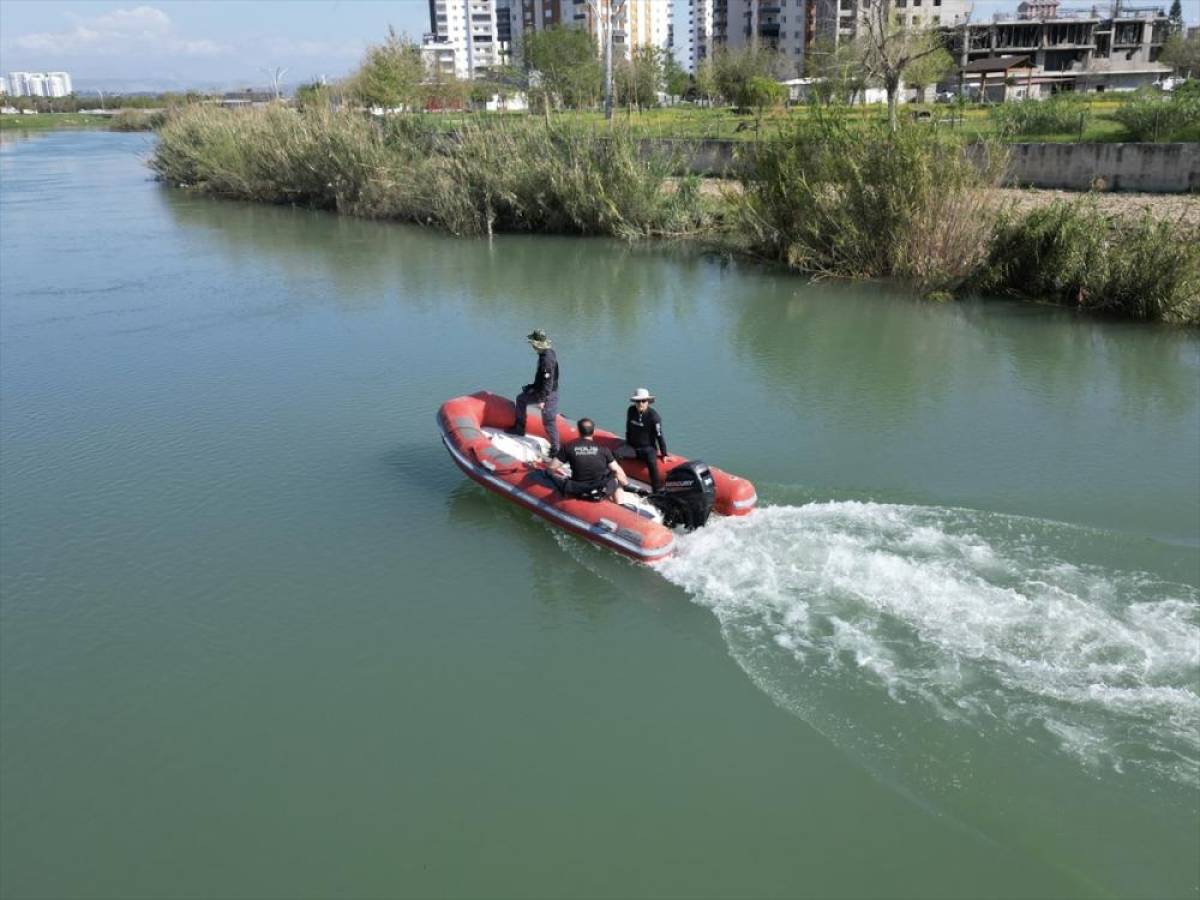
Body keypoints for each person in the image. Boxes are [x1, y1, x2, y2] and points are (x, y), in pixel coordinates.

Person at [550, 418, 629, 504]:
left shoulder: (569, 447)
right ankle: (619, 505)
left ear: (578, 431)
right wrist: (626, 484)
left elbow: (551, 467)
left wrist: (554, 476)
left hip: (578, 490)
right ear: (593, 431)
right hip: (598, 491)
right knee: (615, 477)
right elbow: (617, 470)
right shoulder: (604, 449)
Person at [510, 329, 560, 457]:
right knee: (521, 399)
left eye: (533, 344)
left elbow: (548, 382)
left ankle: (556, 449)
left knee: (549, 421)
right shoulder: (546, 353)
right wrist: (533, 387)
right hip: (540, 390)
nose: (531, 346)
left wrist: (543, 400)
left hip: (548, 394)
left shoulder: (547, 359)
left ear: (537, 344)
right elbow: (543, 378)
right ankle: (519, 429)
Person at [624, 387, 668, 493]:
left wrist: (664, 454)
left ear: (648, 402)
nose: (640, 404)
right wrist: (626, 442)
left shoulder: (654, 417)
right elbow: (628, 428)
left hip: (647, 448)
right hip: (632, 447)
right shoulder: (631, 411)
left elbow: (659, 436)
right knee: (615, 454)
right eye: (638, 401)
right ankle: (619, 483)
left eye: (643, 401)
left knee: (652, 463)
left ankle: (657, 490)